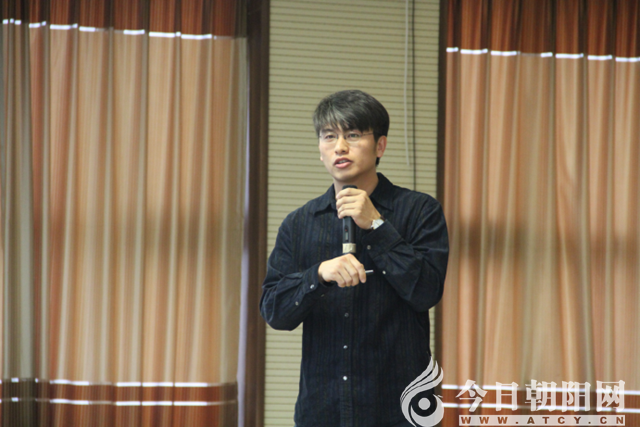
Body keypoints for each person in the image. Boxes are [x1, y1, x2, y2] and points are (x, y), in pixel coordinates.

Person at [260, 90, 449, 427]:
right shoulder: (299, 223)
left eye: (353, 135)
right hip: (322, 410)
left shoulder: (420, 210)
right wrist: (318, 275)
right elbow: (275, 310)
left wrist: (377, 225)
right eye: (328, 136)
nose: (340, 147)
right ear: (320, 150)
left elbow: (426, 291)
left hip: (399, 409)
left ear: (380, 146)